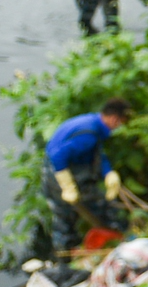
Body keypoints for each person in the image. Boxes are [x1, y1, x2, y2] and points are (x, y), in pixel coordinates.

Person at [43, 98, 132, 253]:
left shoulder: (94, 123)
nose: (119, 127)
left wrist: (108, 173)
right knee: (65, 214)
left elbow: (97, 153)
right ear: (114, 118)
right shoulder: (87, 134)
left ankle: (110, 237)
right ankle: (65, 254)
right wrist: (68, 186)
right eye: (120, 123)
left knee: (96, 203)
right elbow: (57, 156)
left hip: (72, 168)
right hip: (57, 173)